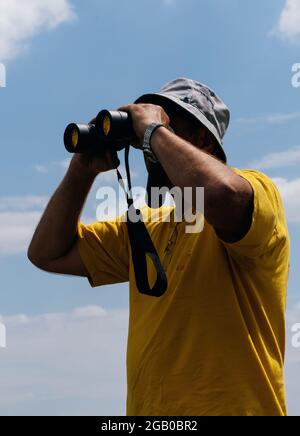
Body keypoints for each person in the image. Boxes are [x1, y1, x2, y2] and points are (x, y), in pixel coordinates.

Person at [28, 78, 290, 416]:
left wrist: (152, 128)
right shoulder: (148, 225)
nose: (148, 145)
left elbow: (222, 196)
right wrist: (81, 170)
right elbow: (47, 253)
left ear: (203, 141)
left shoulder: (257, 191)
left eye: (170, 126)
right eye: (145, 137)